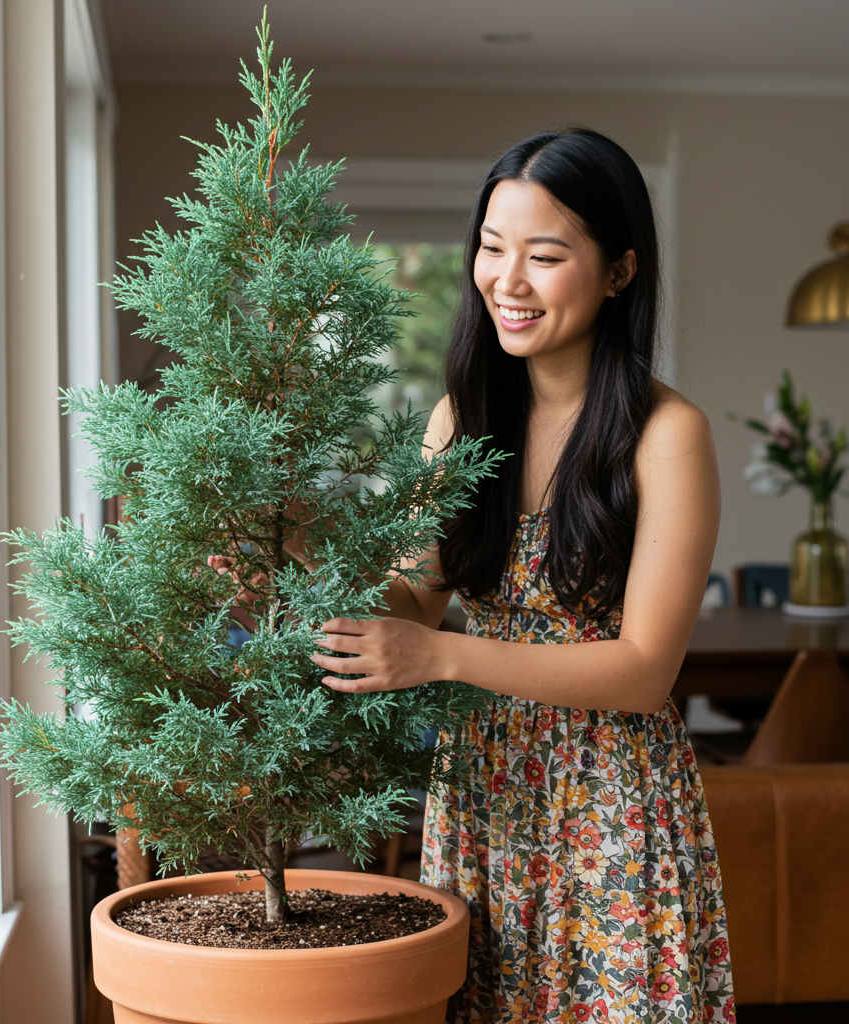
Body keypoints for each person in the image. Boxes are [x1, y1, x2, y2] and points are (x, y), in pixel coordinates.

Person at [311, 128, 735, 1024]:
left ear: (620, 270)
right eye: (492, 249)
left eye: (545, 255)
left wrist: (442, 657)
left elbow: (644, 669)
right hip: (485, 795)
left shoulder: (668, 436)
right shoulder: (460, 419)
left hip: (612, 800)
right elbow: (410, 597)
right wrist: (300, 553)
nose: (508, 280)